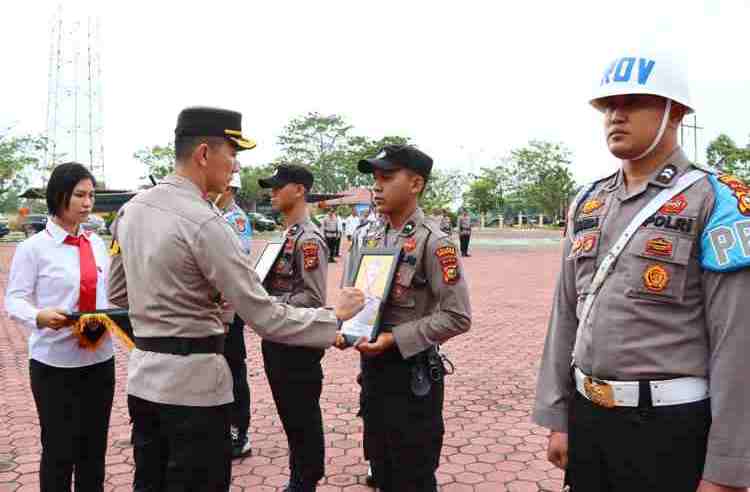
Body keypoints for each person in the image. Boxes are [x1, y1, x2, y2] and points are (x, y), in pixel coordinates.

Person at [107, 106, 364, 491]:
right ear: (204, 154)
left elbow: (117, 293)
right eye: (232, 153)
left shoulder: (130, 212)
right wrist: (335, 316)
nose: (236, 166)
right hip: (194, 390)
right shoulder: (208, 223)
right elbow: (264, 316)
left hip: (143, 381)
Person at [533, 52, 750, 492]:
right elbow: (566, 315)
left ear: (677, 112)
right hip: (589, 416)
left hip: (670, 428)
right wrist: (559, 416)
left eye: (634, 102)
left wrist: (727, 466)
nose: (617, 114)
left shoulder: (717, 199)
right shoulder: (587, 201)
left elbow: (737, 339)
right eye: (609, 105)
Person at [341, 144, 472, 491]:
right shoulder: (367, 236)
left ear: (415, 184)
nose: (377, 186)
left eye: (386, 177)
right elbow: (353, 297)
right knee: (381, 468)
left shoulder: (435, 242)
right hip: (373, 372)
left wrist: (395, 339)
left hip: (413, 378)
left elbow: (458, 316)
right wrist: (345, 327)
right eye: (374, 179)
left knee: (413, 476)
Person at [5, 162, 115, 492]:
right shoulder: (33, 248)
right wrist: (38, 316)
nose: (87, 202)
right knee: (58, 450)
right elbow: (14, 300)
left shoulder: (96, 244)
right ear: (59, 195)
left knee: (94, 451)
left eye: (91, 195)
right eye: (79, 195)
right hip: (54, 366)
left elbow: (108, 295)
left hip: (99, 361)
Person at [257, 164, 329, 492]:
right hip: (277, 338)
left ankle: (306, 479)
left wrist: (268, 303)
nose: (272, 192)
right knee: (291, 415)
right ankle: (299, 475)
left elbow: (313, 298)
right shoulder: (287, 235)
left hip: (297, 343)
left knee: (302, 417)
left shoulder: (309, 239)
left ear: (299, 190)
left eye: (278, 186)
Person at [212, 173, 253, 459]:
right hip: (212, 310)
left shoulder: (235, 220)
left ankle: (239, 431)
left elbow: (235, 266)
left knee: (234, 369)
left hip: (231, 308)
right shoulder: (212, 215)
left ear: (228, 188)